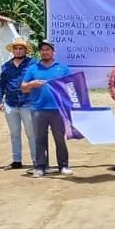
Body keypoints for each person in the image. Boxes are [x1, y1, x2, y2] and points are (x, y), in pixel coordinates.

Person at [19, 40, 74, 177]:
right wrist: (31, 84)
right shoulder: (33, 69)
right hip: (38, 109)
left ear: (53, 52)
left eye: (47, 49)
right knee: (39, 139)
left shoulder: (62, 68)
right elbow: (23, 88)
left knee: (60, 138)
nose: (44, 52)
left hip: (58, 110)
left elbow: (71, 87)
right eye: (42, 50)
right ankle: (40, 167)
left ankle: (63, 165)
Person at [0, 38, 37, 170]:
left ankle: (37, 160)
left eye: (21, 48)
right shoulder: (6, 66)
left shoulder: (33, 64)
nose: (18, 51)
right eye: (16, 48)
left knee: (31, 133)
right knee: (14, 133)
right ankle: (16, 160)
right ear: (12, 50)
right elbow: (1, 84)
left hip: (28, 103)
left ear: (26, 50)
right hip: (10, 103)